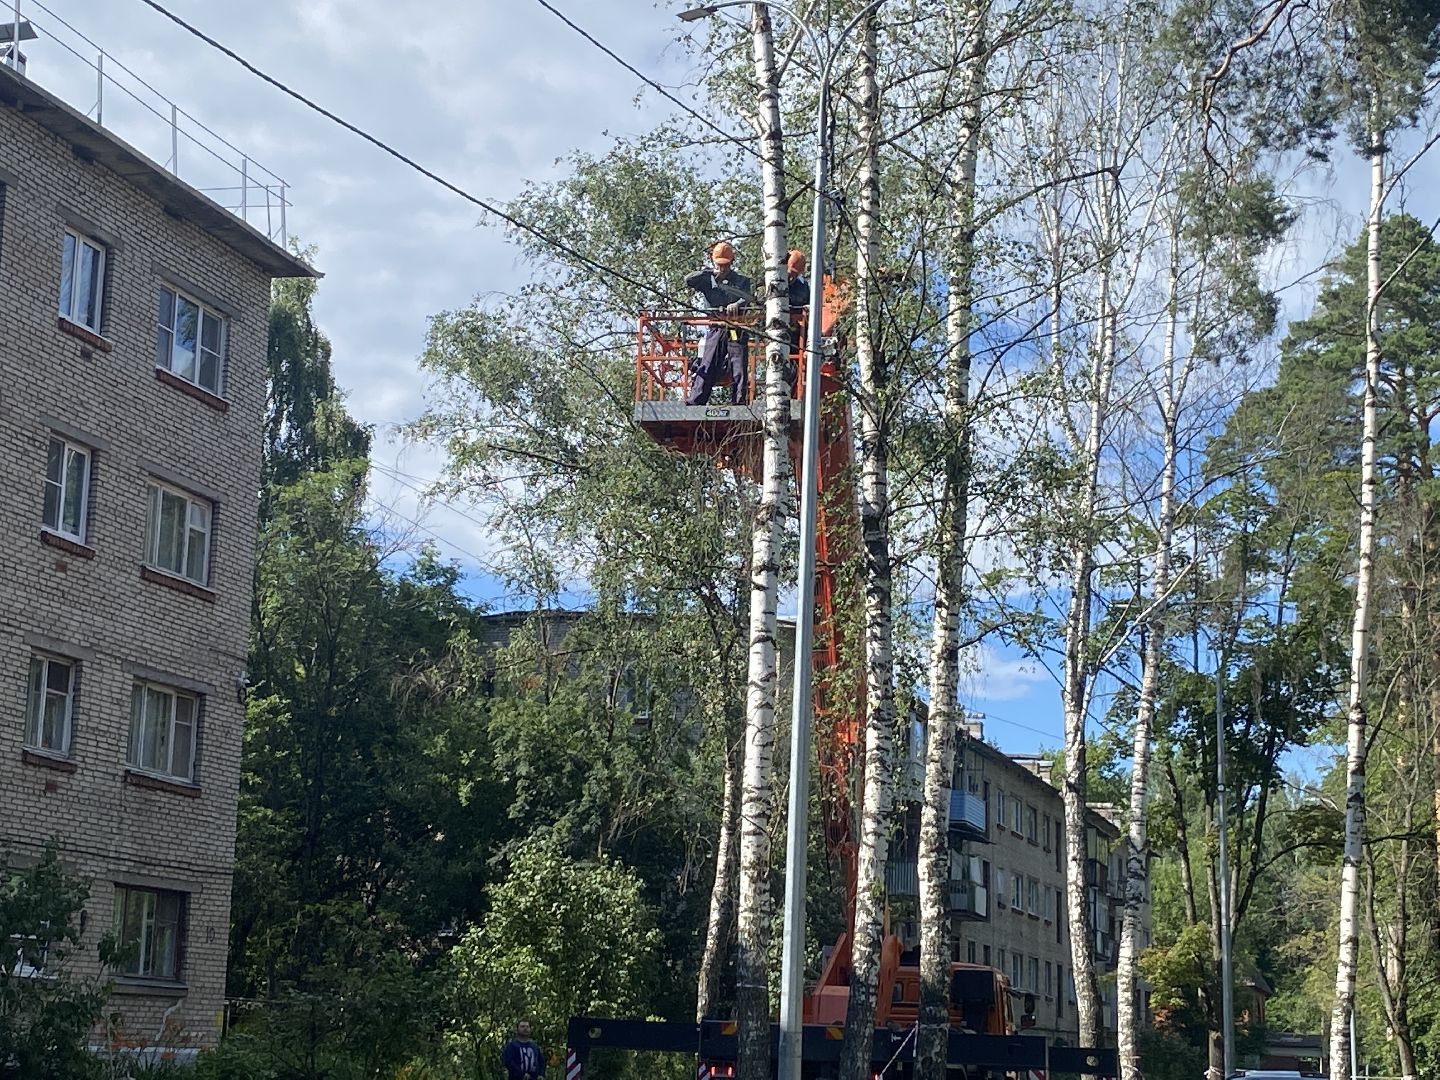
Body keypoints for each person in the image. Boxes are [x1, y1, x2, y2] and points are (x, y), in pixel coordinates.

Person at [684, 241, 753, 405]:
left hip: (735, 328)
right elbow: (688, 280)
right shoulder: (707, 280)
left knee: (738, 364)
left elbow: (749, 297)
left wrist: (737, 304)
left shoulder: (741, 281)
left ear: (731, 262)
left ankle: (739, 402)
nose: (723, 268)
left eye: (725, 265)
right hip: (716, 327)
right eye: (719, 265)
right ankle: (696, 400)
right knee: (708, 362)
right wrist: (707, 272)